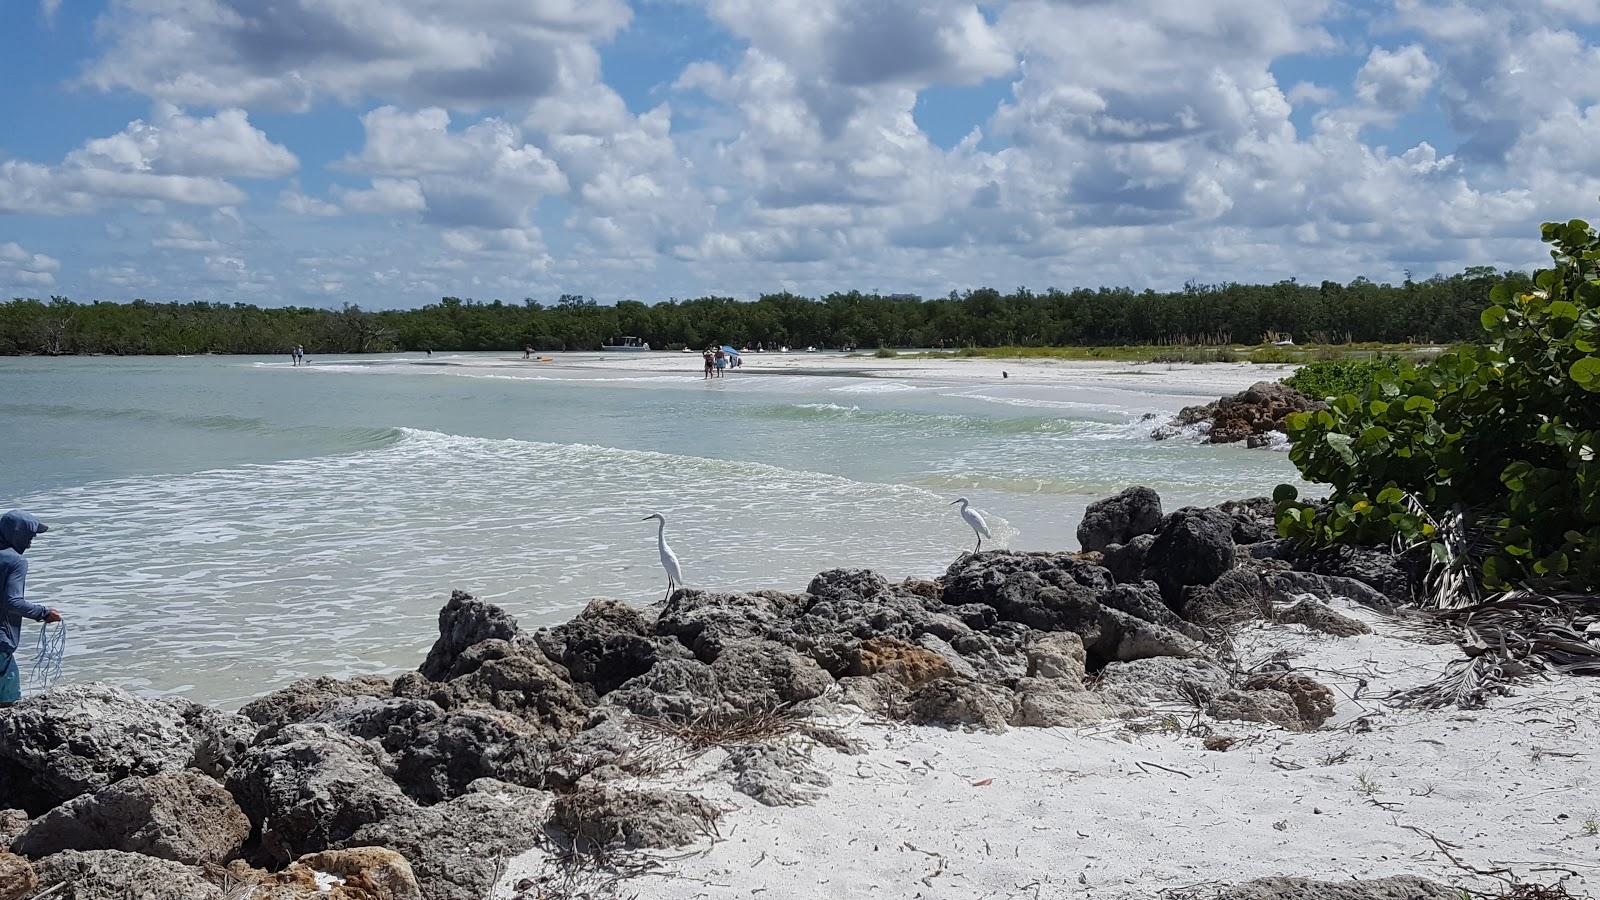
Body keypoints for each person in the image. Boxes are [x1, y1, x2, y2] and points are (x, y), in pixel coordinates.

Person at [1, 510, 60, 706]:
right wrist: (44, 613)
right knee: (9, 706)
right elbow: (13, 601)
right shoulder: (15, 561)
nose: (29, 543)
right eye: (29, 537)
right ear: (17, 534)